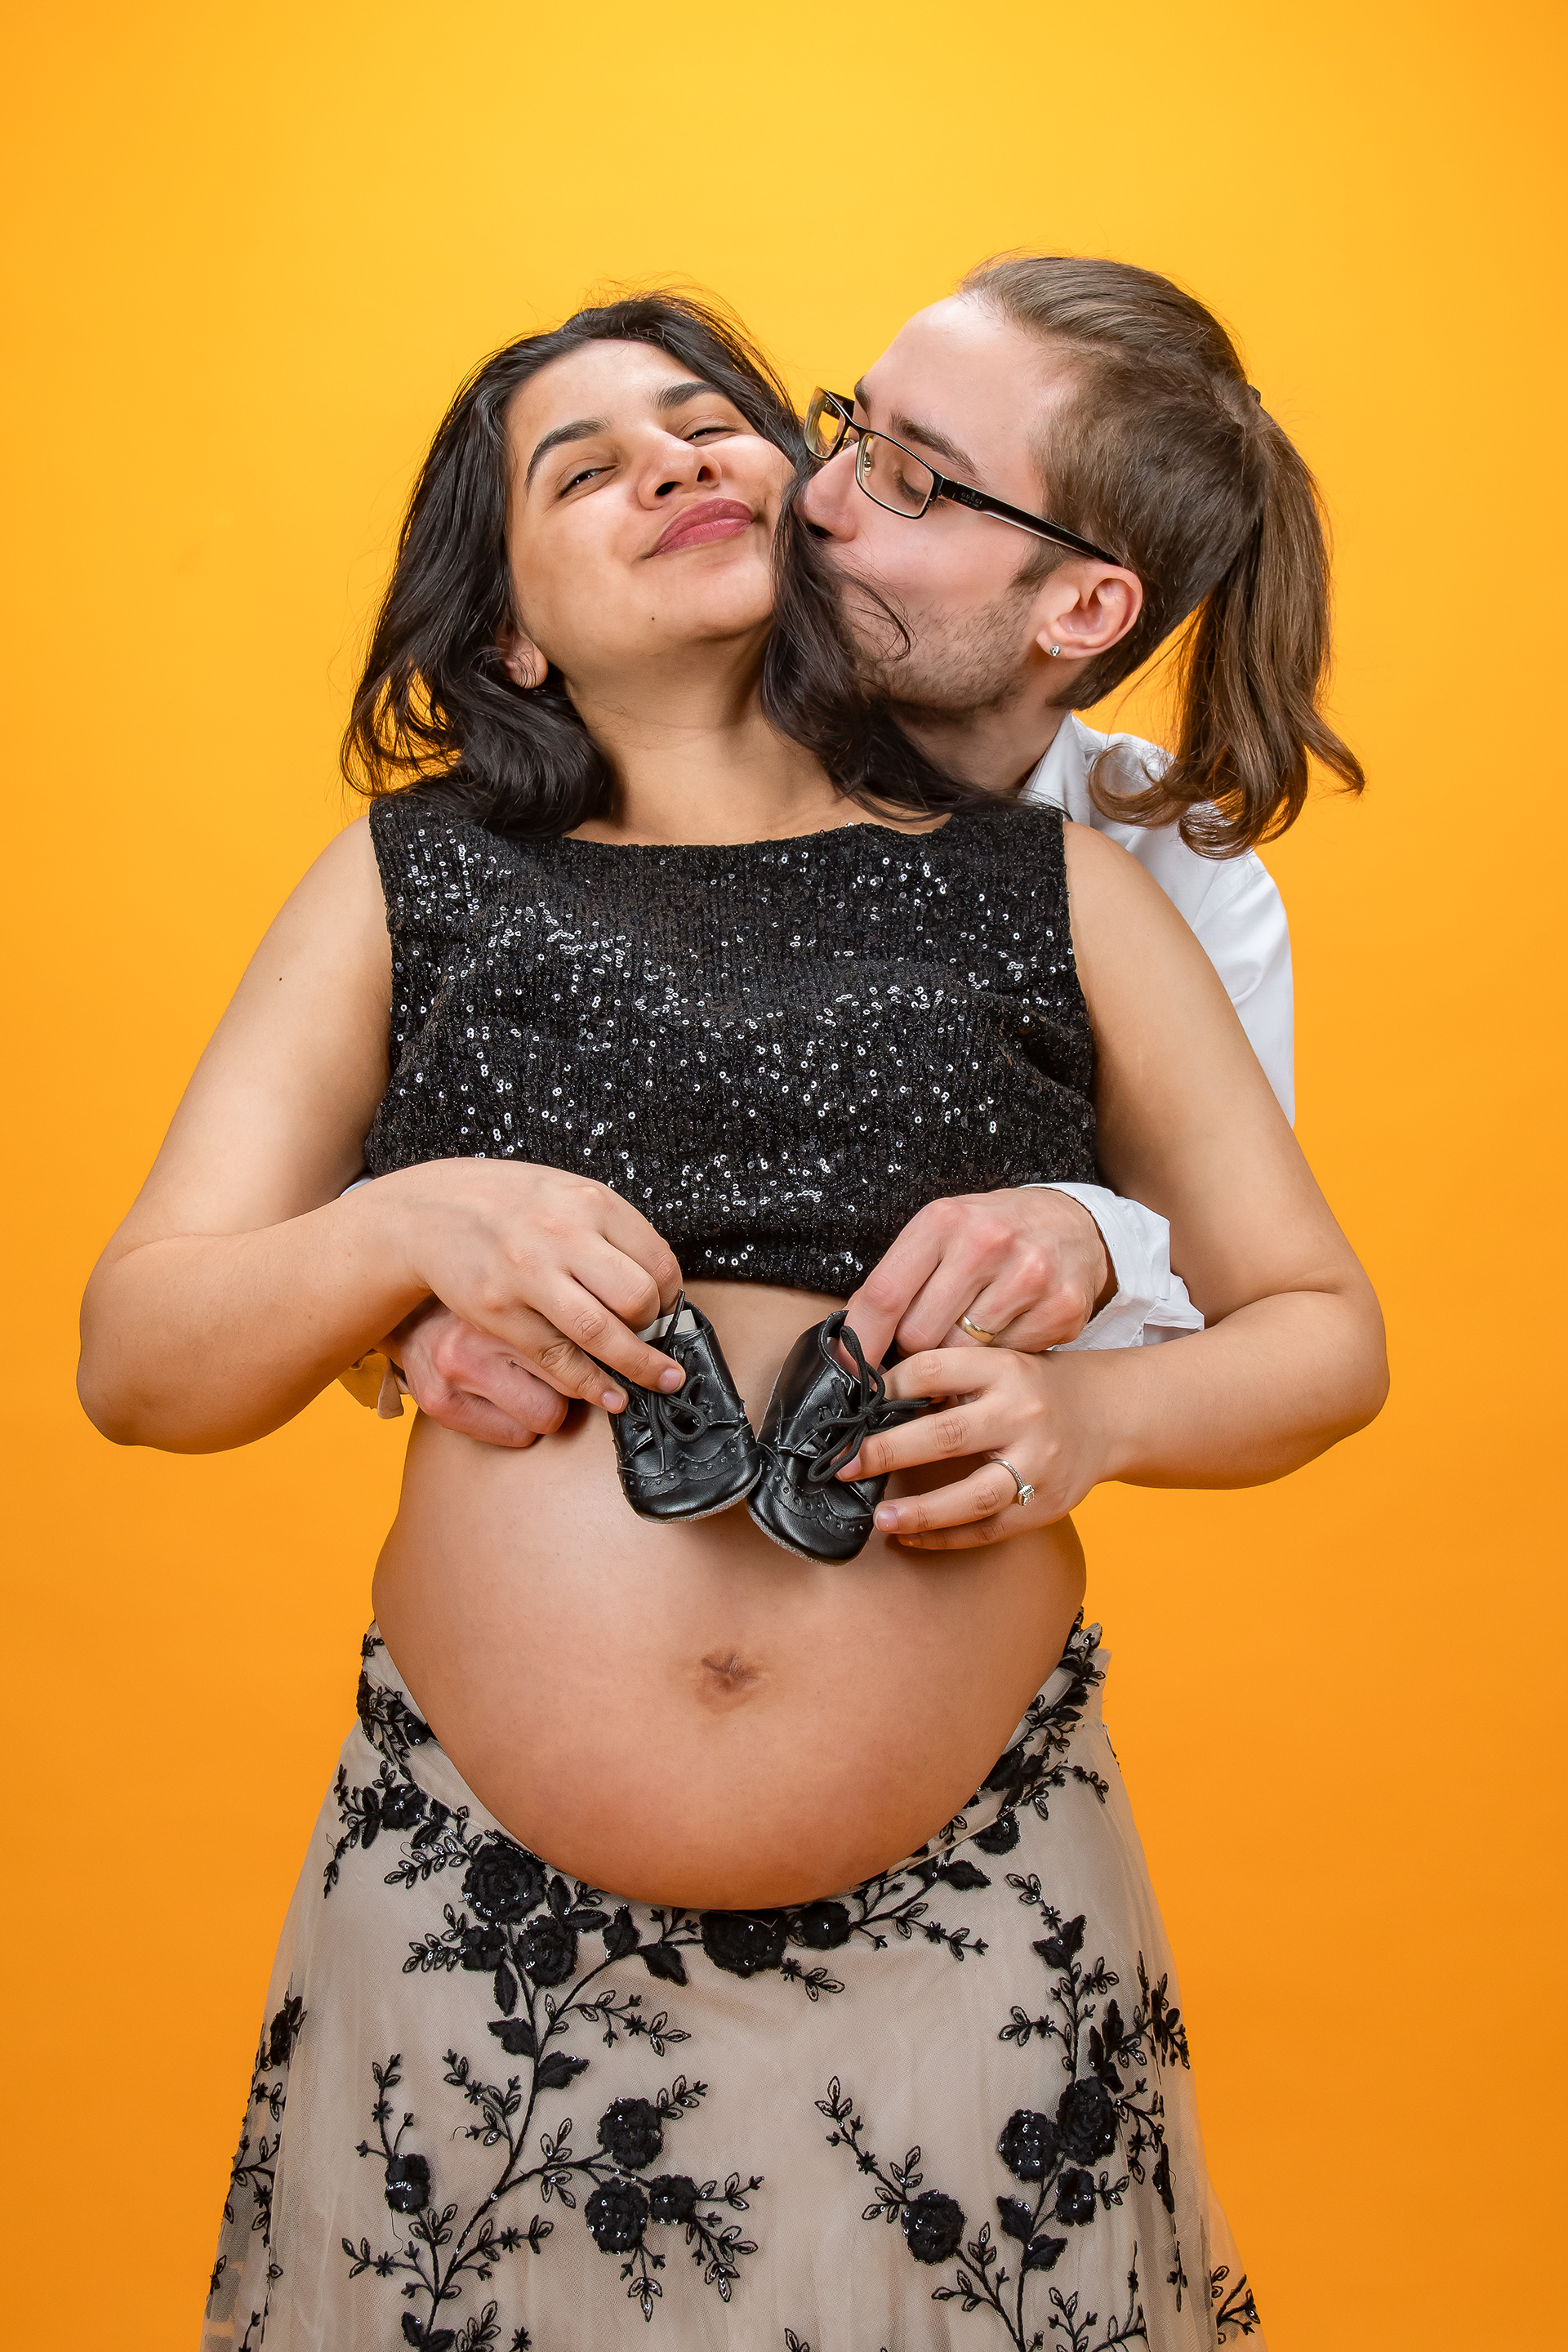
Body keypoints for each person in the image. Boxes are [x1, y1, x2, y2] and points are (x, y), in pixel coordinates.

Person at [78, 287, 1385, 2350]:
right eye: (581, 468)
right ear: (512, 631)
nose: (677, 462)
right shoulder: (412, 882)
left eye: (710, 424)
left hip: (972, 1901)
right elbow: (138, 1358)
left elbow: (1318, 1327)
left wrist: (1093, 1416)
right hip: (479, 1920)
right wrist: (410, 1230)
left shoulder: (1070, 879)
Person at [383, 256, 1332, 1454]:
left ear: (1083, 611)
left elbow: (1258, 1311)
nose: (816, 495)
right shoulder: (629, 729)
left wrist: (1099, 1236)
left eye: (910, 479)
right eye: (845, 428)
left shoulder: (1147, 879)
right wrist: (397, 1295)